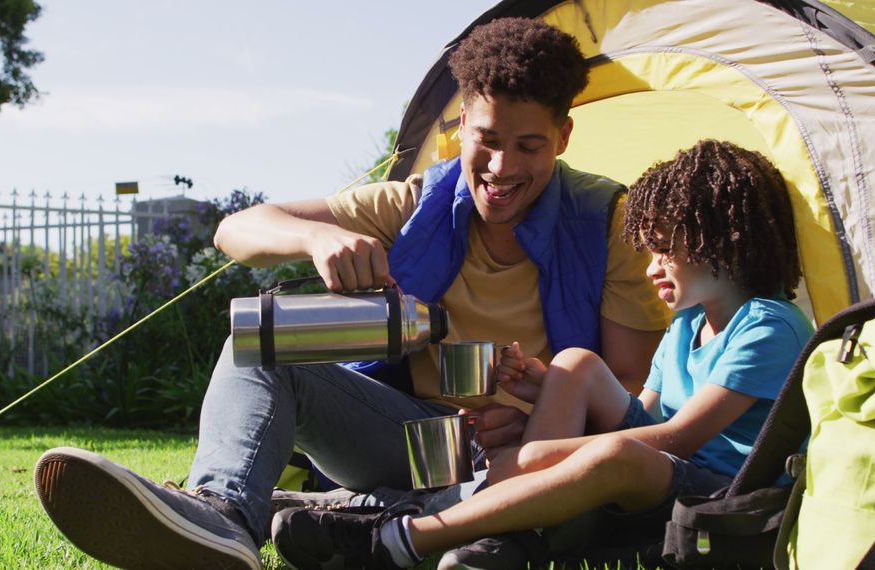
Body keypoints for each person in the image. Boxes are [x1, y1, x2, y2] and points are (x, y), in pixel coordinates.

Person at [32, 17, 670, 570]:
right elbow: (237, 228)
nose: (502, 168)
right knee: (261, 341)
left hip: (545, 457)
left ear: (563, 137)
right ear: (461, 128)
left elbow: (631, 394)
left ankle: (367, 517)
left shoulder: (608, 221)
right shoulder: (418, 203)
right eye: (488, 140)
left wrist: (539, 422)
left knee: (539, 489)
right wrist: (315, 239)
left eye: (529, 145)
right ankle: (221, 520)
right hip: (426, 442)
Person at [269, 139, 816, 569]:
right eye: (647, 250)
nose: (651, 267)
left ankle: (403, 535)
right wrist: (543, 389)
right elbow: (645, 415)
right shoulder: (685, 328)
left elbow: (680, 438)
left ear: (722, 240)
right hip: (657, 468)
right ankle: (506, 518)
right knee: (573, 361)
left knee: (610, 457)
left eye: (665, 249)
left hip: (716, 489)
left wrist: (542, 458)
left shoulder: (769, 325)